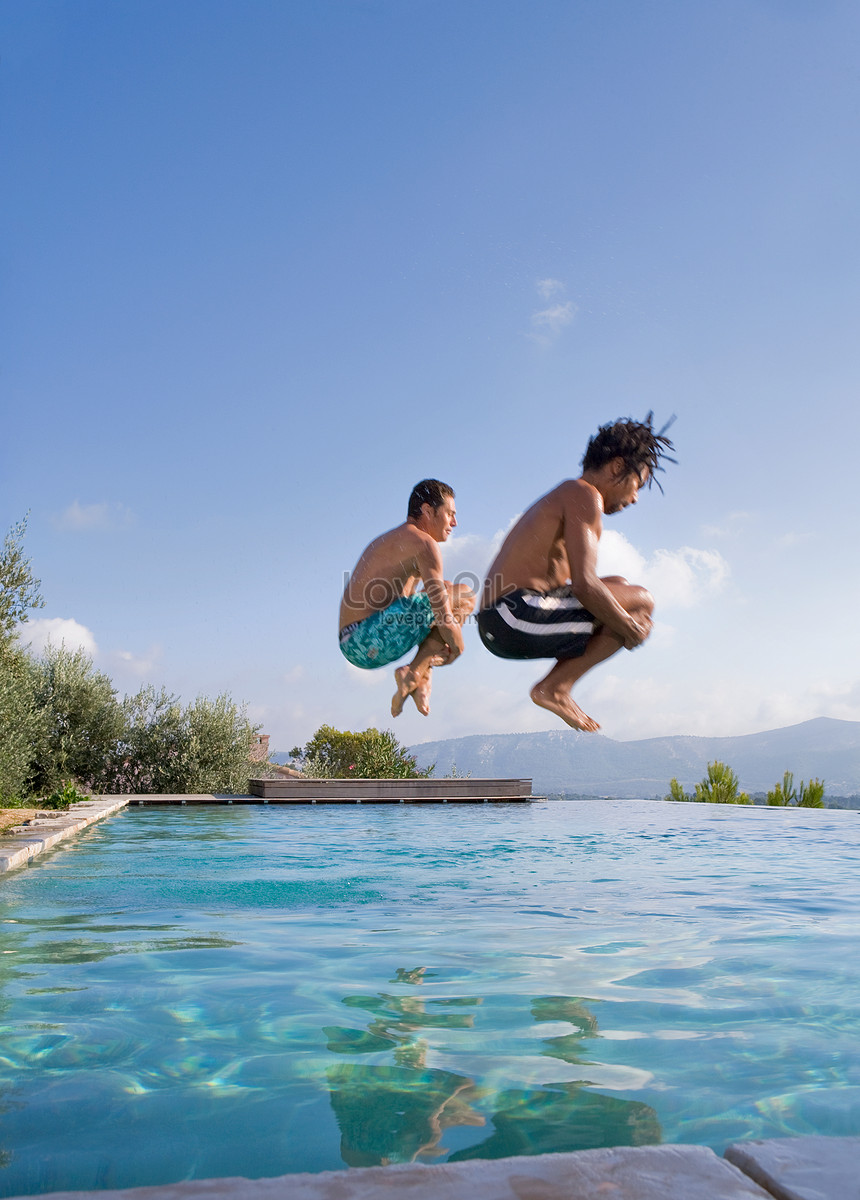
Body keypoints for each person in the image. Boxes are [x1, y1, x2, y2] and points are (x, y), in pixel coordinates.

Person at [477, 415, 675, 732]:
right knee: (641, 603)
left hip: (500, 619)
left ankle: (557, 686)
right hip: (513, 616)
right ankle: (556, 687)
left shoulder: (570, 494)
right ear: (616, 467)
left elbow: (577, 584)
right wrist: (629, 627)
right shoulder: (585, 495)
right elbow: (585, 585)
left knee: (620, 587)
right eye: (637, 484)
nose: (636, 498)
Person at [339, 479, 475, 717]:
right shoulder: (425, 544)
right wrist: (457, 647)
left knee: (447, 588)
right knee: (464, 595)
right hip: (366, 639)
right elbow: (444, 618)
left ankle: (417, 676)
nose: (455, 522)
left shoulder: (395, 539)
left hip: (354, 641)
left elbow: (417, 604)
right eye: (450, 514)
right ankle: (415, 674)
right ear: (427, 511)